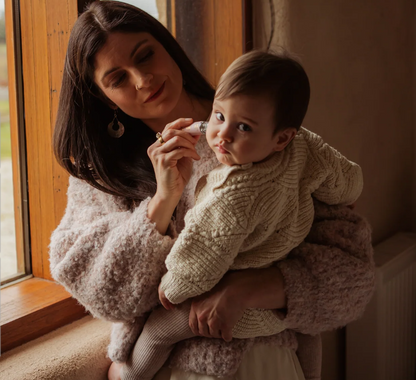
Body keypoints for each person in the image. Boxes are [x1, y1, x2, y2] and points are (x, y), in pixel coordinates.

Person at [49, 2, 375, 380]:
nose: (142, 79)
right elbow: (105, 295)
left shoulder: (259, 133)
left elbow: (354, 276)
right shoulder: (102, 174)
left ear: (168, 48)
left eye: (145, 55)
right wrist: (161, 202)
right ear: (105, 98)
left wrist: (250, 290)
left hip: (262, 364)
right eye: (118, 78)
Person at [118, 50, 363, 380]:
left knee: (158, 333)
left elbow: (203, 248)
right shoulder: (306, 146)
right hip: (278, 290)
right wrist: (347, 197)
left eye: (243, 126)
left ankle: (126, 376)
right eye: (219, 116)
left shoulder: (235, 191)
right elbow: (345, 177)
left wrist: (174, 286)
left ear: (281, 138)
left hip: (235, 309)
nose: (223, 135)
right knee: (306, 331)